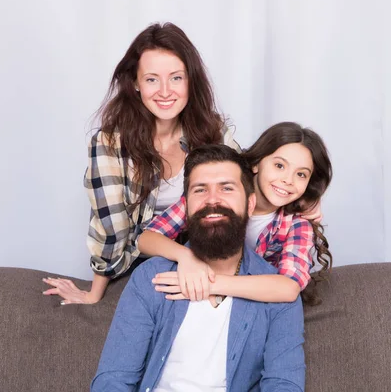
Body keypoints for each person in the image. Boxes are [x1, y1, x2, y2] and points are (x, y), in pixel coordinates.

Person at [42, 22, 241, 304]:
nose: (164, 91)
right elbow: (113, 226)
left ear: (190, 80)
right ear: (135, 83)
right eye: (151, 79)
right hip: (149, 259)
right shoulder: (109, 144)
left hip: (213, 252)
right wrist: (94, 293)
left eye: (176, 78)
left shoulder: (214, 131)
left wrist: (304, 204)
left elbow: (247, 187)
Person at [92, 145, 305, 391]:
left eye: (226, 188)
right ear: (187, 206)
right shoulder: (151, 279)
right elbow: (113, 380)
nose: (213, 200)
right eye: (200, 190)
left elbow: (284, 384)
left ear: (250, 203)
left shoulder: (276, 293)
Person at [139, 121, 332, 305]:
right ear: (257, 163)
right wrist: (186, 257)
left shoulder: (297, 224)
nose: (288, 180)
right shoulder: (216, 196)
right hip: (197, 290)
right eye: (279, 166)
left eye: (301, 174)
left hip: (248, 299)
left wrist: (209, 284)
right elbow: (146, 238)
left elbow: (289, 287)